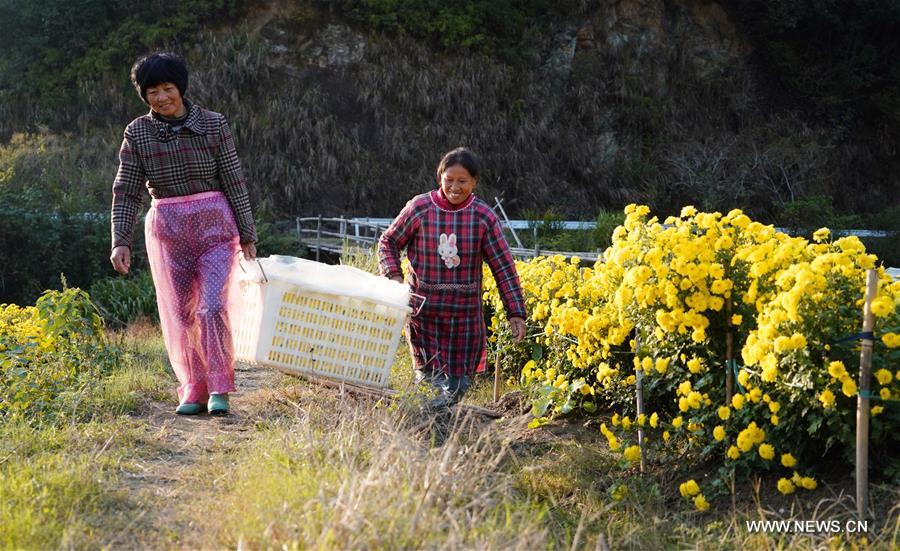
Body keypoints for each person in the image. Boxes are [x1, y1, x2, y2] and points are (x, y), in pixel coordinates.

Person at [109, 52, 257, 416]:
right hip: (168, 231)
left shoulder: (213, 123)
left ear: (181, 88)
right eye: (152, 91)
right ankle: (194, 387)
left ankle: (220, 385)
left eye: (167, 88)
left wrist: (247, 232)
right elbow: (126, 190)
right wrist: (120, 240)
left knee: (210, 306)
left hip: (215, 228)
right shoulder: (137, 132)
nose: (161, 97)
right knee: (182, 313)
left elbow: (234, 181)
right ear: (144, 96)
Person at [378, 147, 526, 408]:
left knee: (460, 383)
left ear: (474, 182)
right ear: (440, 179)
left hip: (464, 315)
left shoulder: (483, 216)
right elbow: (389, 241)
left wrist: (516, 312)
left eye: (462, 181)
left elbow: (503, 266)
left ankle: (438, 418)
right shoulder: (420, 208)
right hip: (424, 313)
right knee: (428, 380)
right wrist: (394, 278)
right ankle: (431, 431)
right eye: (449, 181)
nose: (455, 187)